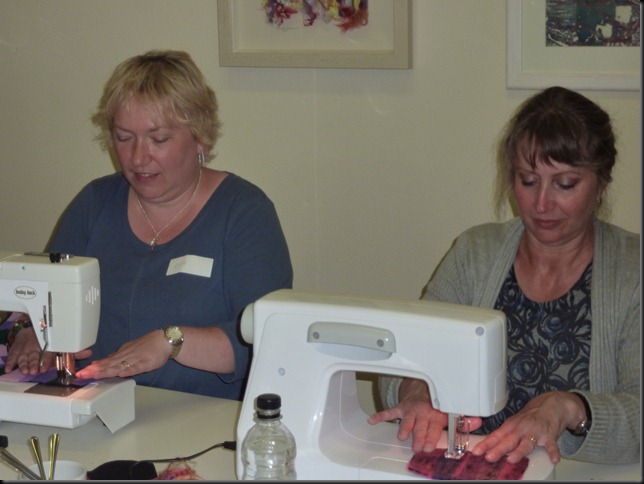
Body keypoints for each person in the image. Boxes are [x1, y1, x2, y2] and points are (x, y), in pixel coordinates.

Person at [368, 86, 640, 465]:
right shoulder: (475, 253)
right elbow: (405, 355)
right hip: (470, 466)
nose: (541, 203)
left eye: (565, 184)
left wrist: (571, 408)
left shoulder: (633, 272)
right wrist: (416, 392)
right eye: (528, 180)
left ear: (602, 182)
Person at [3, 50, 293, 400]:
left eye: (159, 139)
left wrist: (172, 341)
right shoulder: (95, 203)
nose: (138, 158)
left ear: (200, 137)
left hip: (203, 415)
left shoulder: (244, 213)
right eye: (124, 138)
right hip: (97, 404)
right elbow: (41, 294)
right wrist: (29, 330)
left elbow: (269, 342)